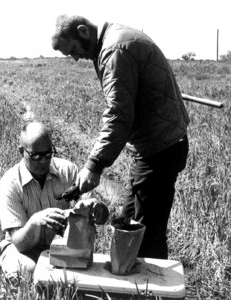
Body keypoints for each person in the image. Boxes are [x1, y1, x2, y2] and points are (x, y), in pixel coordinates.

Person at [51, 15, 190, 259]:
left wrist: (93, 165)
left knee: (144, 234)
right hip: (159, 146)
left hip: (160, 149)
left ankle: (149, 291)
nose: (74, 57)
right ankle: (131, 278)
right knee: (127, 223)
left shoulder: (114, 50)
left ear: (83, 32)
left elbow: (118, 115)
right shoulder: (117, 38)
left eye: (72, 49)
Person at [0, 121, 105, 280]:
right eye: (36, 156)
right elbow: (19, 243)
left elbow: (99, 216)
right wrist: (34, 223)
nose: (43, 161)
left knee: (82, 271)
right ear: (21, 151)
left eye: (48, 154)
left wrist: (96, 208)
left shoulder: (67, 170)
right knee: (29, 270)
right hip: (23, 250)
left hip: (61, 245)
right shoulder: (9, 184)